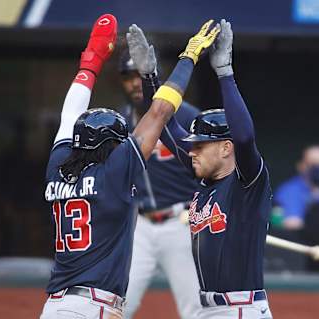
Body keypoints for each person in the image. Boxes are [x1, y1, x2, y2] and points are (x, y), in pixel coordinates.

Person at [39, 14, 219, 319]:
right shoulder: (114, 171)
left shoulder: (57, 164)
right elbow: (160, 112)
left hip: (55, 304)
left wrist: (92, 58)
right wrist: (188, 57)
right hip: (93, 305)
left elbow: (70, 115)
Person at [128, 20, 273, 318]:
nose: (191, 150)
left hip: (241, 309)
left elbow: (244, 136)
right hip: (209, 309)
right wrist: (149, 80)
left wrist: (225, 74)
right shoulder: (204, 179)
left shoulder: (247, 182)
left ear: (225, 147)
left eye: (200, 145)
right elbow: (166, 126)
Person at [118, 45, 202, 318]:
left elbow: (212, 170)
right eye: (128, 76)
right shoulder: (119, 121)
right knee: (118, 303)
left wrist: (202, 208)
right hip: (139, 225)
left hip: (181, 221)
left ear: (155, 78)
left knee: (196, 307)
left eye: (139, 75)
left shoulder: (188, 116)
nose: (134, 83)